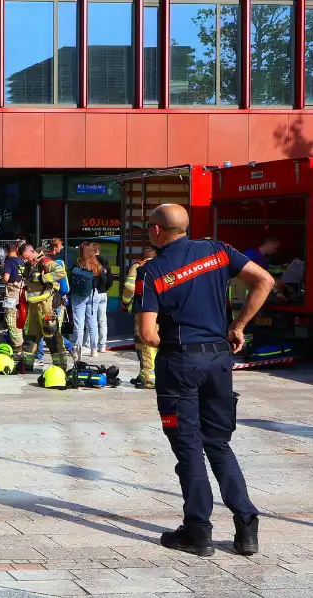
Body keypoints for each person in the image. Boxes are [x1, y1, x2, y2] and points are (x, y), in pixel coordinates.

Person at [134, 203, 272, 558]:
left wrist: (177, 346)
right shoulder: (217, 250)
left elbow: (148, 333)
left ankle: (198, 531)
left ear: (156, 231)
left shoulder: (152, 271)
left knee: (189, 449)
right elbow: (265, 280)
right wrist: (238, 326)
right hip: (218, 360)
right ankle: (246, 526)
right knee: (219, 444)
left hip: (180, 362)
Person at [18, 243, 68, 374]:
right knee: (31, 336)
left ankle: (60, 366)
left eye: (26, 257)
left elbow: (60, 272)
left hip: (46, 306)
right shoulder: (30, 264)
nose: (25, 260)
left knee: (51, 335)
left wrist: (42, 278)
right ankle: (26, 364)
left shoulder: (45, 262)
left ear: (32, 251)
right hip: (33, 306)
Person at [122, 246, 158, 389]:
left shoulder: (138, 267)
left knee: (144, 344)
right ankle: (145, 374)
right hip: (161, 311)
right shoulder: (162, 265)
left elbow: (130, 288)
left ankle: (149, 379)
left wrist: (125, 302)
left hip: (143, 311)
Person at [69, 242, 104, 359]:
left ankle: (78, 349)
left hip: (79, 296)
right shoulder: (96, 263)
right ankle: (94, 350)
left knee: (79, 324)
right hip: (93, 295)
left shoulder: (77, 263)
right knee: (92, 323)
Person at [1, 241, 25, 349]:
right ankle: (19, 342)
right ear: (16, 249)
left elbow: (6, 278)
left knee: (10, 320)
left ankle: (17, 345)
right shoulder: (21, 261)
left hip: (11, 295)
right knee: (18, 319)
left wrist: (3, 279)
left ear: (6, 251)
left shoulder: (9, 262)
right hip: (20, 294)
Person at [91, 243, 113, 353]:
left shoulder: (90, 262)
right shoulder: (105, 262)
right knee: (102, 320)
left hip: (93, 292)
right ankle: (102, 345)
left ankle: (91, 345)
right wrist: (105, 288)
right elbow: (110, 281)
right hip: (103, 293)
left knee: (91, 320)